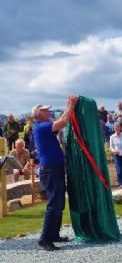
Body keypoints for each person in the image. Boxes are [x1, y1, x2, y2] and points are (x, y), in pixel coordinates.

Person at [32, 95, 79, 251]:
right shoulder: (42, 127)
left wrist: (68, 105)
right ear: (39, 114)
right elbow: (64, 121)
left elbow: (62, 120)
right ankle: (44, 239)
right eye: (46, 110)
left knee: (59, 204)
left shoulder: (42, 126)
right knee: (54, 205)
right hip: (50, 170)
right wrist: (71, 104)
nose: (49, 112)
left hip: (53, 169)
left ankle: (53, 235)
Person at [109, 122, 122, 188]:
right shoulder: (112, 137)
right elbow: (111, 147)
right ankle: (120, 183)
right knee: (119, 169)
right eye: (116, 127)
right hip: (116, 155)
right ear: (114, 128)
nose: (117, 128)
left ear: (120, 128)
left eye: (118, 127)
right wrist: (114, 150)